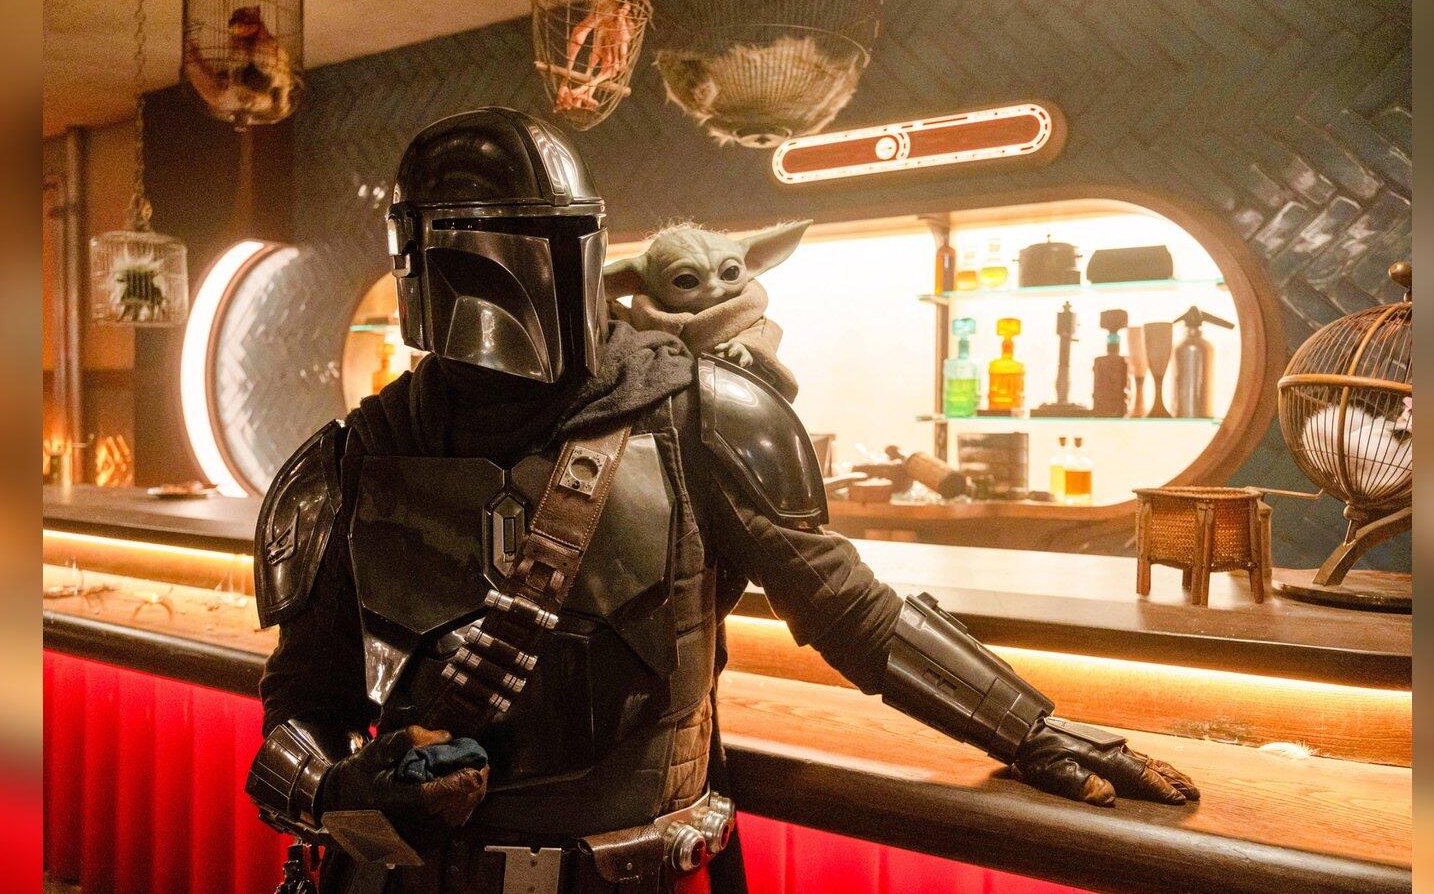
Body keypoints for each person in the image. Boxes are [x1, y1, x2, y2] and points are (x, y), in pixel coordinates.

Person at [245, 108, 1197, 894]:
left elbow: (847, 607)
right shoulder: (354, 458)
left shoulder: (704, 414)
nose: (544, 271)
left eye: (566, 237)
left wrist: (1027, 727)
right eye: (518, 241)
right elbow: (301, 705)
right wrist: (346, 791)